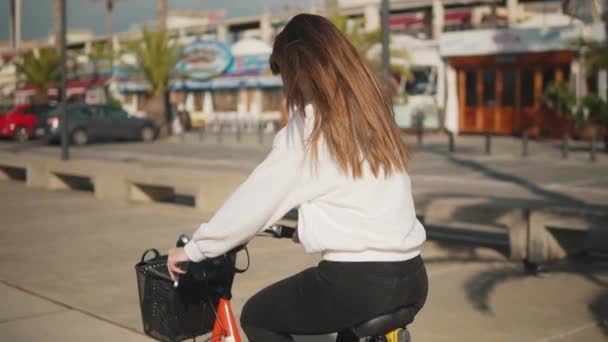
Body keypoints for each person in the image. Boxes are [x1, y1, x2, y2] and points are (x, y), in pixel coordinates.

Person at [167, 13, 428, 342]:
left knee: (259, 316)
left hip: (357, 283)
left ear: (300, 70)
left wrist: (194, 250)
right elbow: (363, 193)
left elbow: (255, 202)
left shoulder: (310, 127)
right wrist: (312, 228)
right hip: (412, 275)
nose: (286, 86)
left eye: (285, 75)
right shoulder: (372, 112)